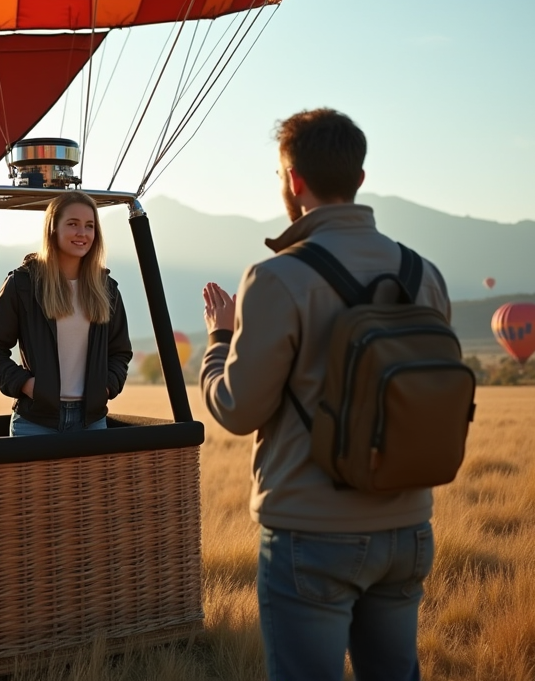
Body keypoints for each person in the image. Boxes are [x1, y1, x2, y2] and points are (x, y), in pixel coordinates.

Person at [200, 108, 451, 681]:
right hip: (409, 526)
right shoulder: (424, 273)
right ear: (360, 178)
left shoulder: (277, 277)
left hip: (311, 533)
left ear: (293, 181)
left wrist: (219, 340)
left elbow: (237, 410)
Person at [0, 190, 132, 436]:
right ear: (53, 228)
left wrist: (105, 389)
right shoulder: (23, 285)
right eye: (73, 224)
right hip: (34, 424)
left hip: (92, 423)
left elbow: (120, 352)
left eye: (89, 226)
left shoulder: (106, 289)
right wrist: (27, 385)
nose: (82, 233)